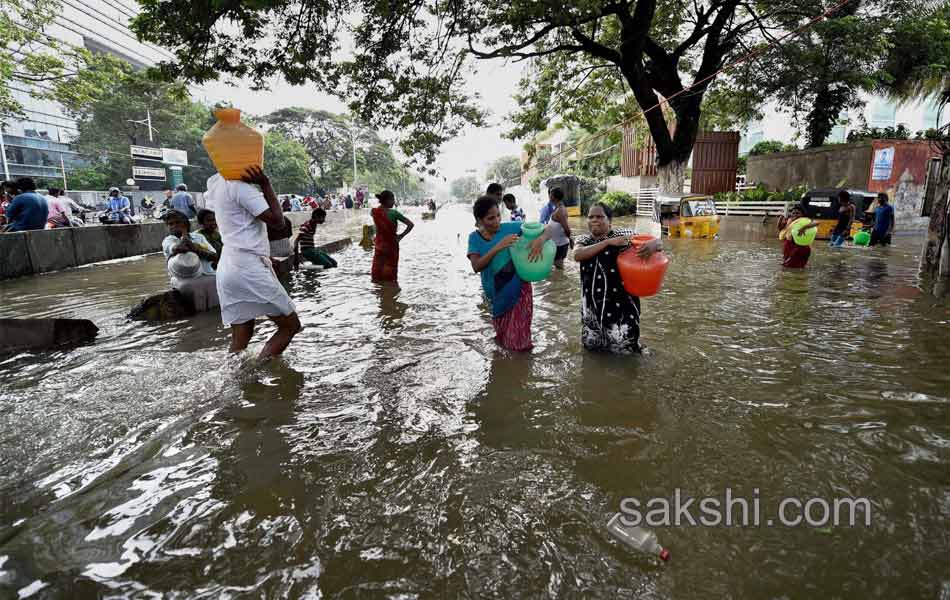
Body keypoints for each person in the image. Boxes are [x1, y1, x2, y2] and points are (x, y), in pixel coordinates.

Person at [206, 165, 301, 358]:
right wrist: (265, 184)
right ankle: (257, 370)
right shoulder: (240, 188)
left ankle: (235, 377)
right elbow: (278, 222)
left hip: (229, 265)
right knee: (290, 326)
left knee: (241, 336)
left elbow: (240, 227)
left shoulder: (217, 184)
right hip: (247, 267)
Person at [467, 195, 553, 351]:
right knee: (502, 338)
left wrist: (541, 240)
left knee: (519, 340)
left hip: (519, 291)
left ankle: (521, 369)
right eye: (490, 218)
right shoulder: (474, 238)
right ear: (479, 221)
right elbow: (476, 266)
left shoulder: (512, 227)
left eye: (498, 216)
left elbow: (547, 228)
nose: (496, 221)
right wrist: (499, 246)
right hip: (495, 294)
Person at [574, 202, 662, 354]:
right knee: (594, 352)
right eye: (591, 217)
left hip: (622, 307)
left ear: (610, 221)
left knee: (626, 351)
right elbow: (577, 255)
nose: (594, 220)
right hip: (592, 310)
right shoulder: (584, 240)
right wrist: (607, 242)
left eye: (600, 216)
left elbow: (656, 242)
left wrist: (655, 244)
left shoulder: (623, 236)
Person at [161, 209, 219, 311]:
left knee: (216, 308)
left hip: (209, 276)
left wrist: (195, 248)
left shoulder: (198, 237)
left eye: (177, 222)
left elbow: (214, 256)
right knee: (197, 308)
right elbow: (178, 248)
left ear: (185, 223)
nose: (174, 226)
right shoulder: (168, 240)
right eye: (170, 224)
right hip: (184, 282)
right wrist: (185, 236)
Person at [371, 189, 414, 283]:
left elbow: (377, 228)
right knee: (390, 274)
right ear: (387, 200)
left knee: (377, 271)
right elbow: (411, 224)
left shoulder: (373, 212)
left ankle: (379, 292)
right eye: (392, 200)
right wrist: (401, 236)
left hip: (379, 246)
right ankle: (392, 294)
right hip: (391, 246)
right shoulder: (394, 213)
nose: (394, 202)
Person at [778, 204, 819, 268]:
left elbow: (817, 222)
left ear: (802, 214)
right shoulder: (789, 220)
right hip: (789, 245)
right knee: (787, 265)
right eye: (793, 213)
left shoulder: (804, 221)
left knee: (795, 266)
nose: (795, 215)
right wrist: (780, 220)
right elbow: (781, 230)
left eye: (797, 213)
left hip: (800, 247)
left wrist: (804, 228)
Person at [546, 187, 573, 269]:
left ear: (553, 197)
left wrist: (571, 239)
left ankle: (563, 281)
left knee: (559, 269)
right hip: (557, 244)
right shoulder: (558, 208)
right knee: (557, 267)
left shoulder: (560, 211)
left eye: (550, 194)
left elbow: (566, 228)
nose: (549, 196)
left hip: (560, 245)